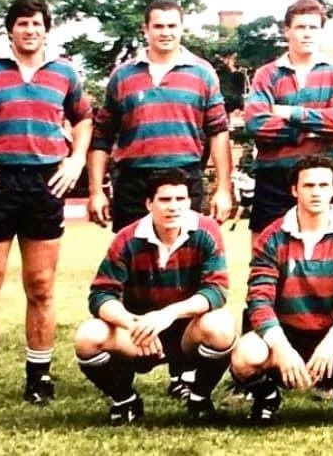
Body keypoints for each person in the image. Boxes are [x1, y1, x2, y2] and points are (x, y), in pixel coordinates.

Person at [0, 0, 93, 407]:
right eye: (22, 23)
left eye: (37, 23)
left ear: (46, 29)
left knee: (41, 286)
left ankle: (38, 377)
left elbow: (84, 118)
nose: (30, 30)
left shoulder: (64, 73)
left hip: (45, 182)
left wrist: (75, 161)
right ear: (10, 30)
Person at [229, 156, 333, 424]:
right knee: (244, 356)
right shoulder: (271, 236)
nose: (316, 192)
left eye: (324, 185)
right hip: (286, 338)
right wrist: (281, 348)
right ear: (294, 190)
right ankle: (267, 397)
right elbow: (259, 300)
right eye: (308, 185)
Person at [73, 168, 236, 424]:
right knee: (87, 337)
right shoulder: (127, 238)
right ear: (149, 203)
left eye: (181, 199)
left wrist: (168, 314)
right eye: (165, 200)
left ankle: (200, 396)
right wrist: (134, 324)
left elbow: (216, 290)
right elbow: (101, 295)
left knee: (222, 326)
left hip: (187, 333)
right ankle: (125, 399)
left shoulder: (206, 230)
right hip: (139, 334)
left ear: (190, 201)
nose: (174, 207)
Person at [88, 0, 233, 232]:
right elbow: (101, 137)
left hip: (184, 177)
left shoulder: (203, 73)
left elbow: (218, 133)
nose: (166, 32)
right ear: (146, 29)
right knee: (133, 260)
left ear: (182, 28)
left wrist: (223, 189)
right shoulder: (122, 75)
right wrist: (96, 192)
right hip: (133, 182)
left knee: (184, 260)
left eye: (172, 26)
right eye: (158, 26)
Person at [245, 0, 333, 236]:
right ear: (287, 31)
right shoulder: (266, 74)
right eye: (300, 27)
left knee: (328, 254)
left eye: (313, 27)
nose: (307, 34)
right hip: (274, 176)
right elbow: (256, 123)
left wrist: (289, 113)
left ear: (321, 32)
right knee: (265, 255)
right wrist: (312, 129)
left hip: (323, 174)